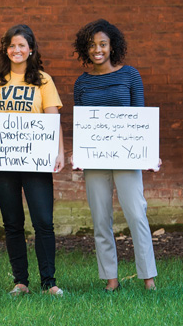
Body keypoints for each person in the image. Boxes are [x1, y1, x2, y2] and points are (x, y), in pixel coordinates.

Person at [0, 24, 65, 296]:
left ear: (31, 49)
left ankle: (49, 282)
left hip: (35, 159)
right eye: (12, 45)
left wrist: (60, 150)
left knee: (43, 220)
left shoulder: (43, 80)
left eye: (22, 45)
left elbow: (52, 118)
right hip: (2, 160)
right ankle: (20, 282)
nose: (17, 50)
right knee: (12, 222)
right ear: (5, 49)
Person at [72, 19, 157, 291]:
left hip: (127, 156)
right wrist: (78, 154)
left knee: (136, 214)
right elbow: (81, 124)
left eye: (103, 44)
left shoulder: (130, 75)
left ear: (112, 46)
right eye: (92, 45)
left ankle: (149, 279)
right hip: (95, 160)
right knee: (100, 218)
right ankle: (111, 280)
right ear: (85, 49)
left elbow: (140, 119)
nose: (98, 50)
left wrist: (150, 154)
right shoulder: (81, 83)